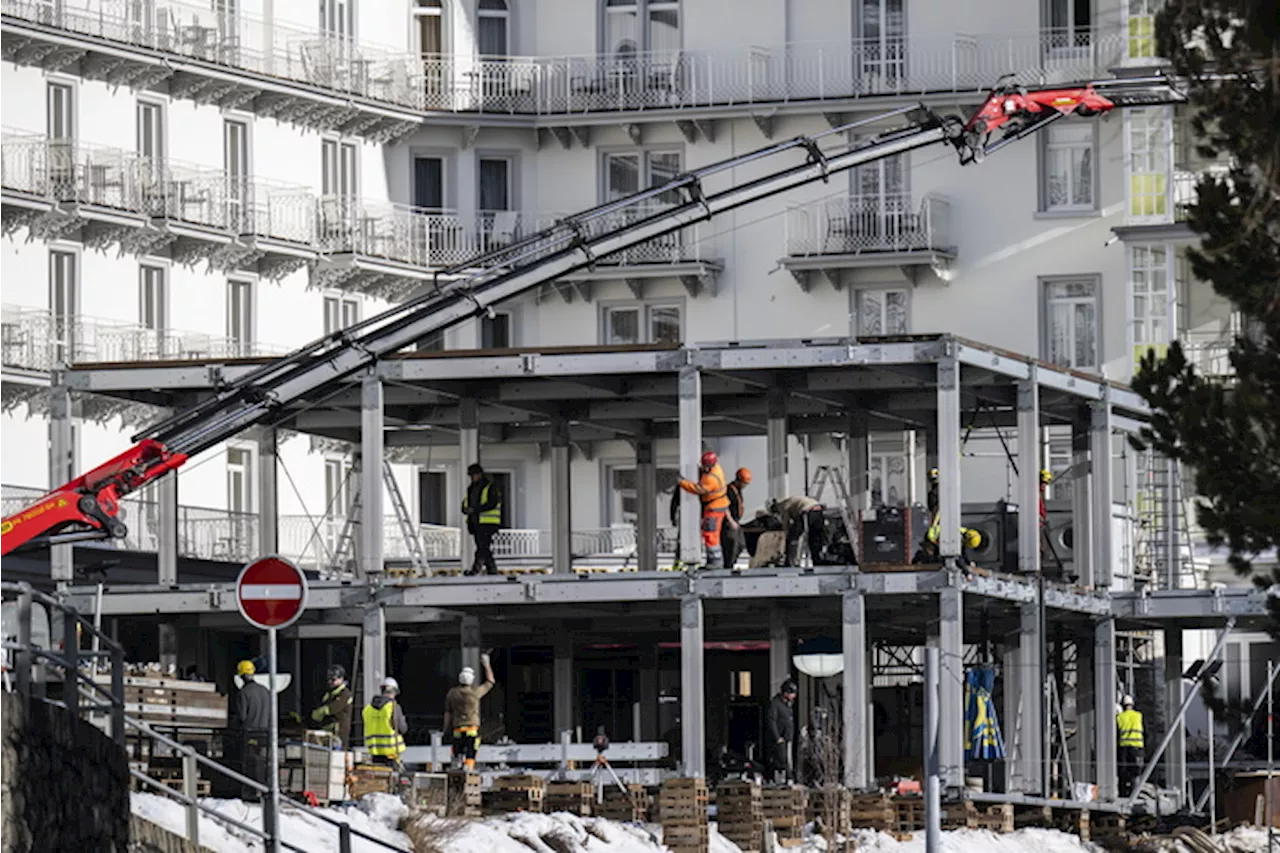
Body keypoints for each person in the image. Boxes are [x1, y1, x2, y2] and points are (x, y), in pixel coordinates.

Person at [678, 451, 731, 568]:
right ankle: (714, 560)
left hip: (714, 508)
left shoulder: (711, 479)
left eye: (706, 466)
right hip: (718, 505)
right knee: (713, 534)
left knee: (710, 534)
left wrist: (682, 483)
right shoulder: (717, 469)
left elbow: (698, 489)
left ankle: (715, 561)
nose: (704, 468)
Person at [444, 651, 495, 770]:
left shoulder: (452, 693)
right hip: (472, 729)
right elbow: (491, 681)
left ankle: (456, 766)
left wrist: (445, 729)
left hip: (457, 729)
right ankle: (468, 770)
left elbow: (448, 713)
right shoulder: (474, 693)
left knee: (457, 751)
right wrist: (486, 664)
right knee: (471, 752)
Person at [235, 659, 271, 797]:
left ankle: (250, 791)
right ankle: (264, 788)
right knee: (264, 762)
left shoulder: (244, 693)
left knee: (249, 763)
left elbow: (242, 716)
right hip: (265, 733)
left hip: (249, 734)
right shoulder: (265, 691)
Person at [462, 463, 503, 576]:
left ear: (480, 474)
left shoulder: (490, 487)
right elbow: (465, 503)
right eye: (471, 475)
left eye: (474, 475)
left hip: (488, 523)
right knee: (483, 548)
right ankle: (492, 570)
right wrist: (466, 510)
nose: (472, 478)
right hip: (476, 523)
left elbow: (492, 503)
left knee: (482, 548)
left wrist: (475, 510)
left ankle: (475, 570)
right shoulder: (471, 489)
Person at [363, 676, 408, 769]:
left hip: (375, 753)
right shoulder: (393, 707)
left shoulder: (367, 709)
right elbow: (402, 728)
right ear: (393, 691)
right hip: (391, 755)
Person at [772, 494, 826, 566]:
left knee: (793, 536)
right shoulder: (792, 500)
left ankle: (790, 561)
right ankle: (817, 560)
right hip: (818, 509)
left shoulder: (782, 506)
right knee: (814, 537)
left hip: (807, 511)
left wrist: (786, 535)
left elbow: (786, 523)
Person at [310, 664, 354, 748]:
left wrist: (321, 712)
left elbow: (333, 708)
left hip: (339, 730)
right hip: (327, 728)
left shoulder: (345, 694)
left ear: (341, 679)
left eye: (333, 679)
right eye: (329, 679)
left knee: (338, 753)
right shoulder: (329, 693)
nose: (330, 682)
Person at [765, 679, 797, 783]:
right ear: (785, 693)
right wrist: (777, 737)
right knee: (782, 759)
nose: (794, 696)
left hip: (787, 737)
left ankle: (788, 777)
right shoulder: (775, 703)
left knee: (787, 758)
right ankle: (788, 778)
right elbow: (772, 721)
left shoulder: (788, 704)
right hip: (780, 738)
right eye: (792, 693)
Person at [723, 467, 752, 568]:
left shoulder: (738, 490)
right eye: (744, 483)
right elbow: (724, 506)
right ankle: (728, 566)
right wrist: (730, 521)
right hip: (729, 522)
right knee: (731, 544)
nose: (745, 486)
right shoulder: (729, 490)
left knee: (741, 544)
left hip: (736, 521)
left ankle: (732, 563)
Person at [1117, 694, 1145, 797]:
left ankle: (1122, 793)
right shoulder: (1139, 716)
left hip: (1123, 747)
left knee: (1123, 772)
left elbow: (1116, 733)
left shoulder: (1120, 717)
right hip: (1137, 747)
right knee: (1136, 772)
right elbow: (1144, 732)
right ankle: (1134, 794)